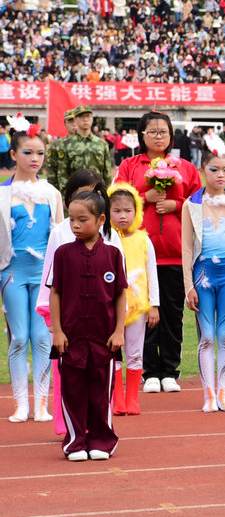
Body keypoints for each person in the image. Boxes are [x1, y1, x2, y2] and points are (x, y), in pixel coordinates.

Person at [113, 111, 199, 393]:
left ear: (171, 135)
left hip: (175, 252)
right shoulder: (129, 165)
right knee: (142, 313)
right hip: (138, 255)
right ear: (142, 135)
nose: (158, 136)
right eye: (152, 131)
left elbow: (200, 203)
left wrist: (176, 205)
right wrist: (143, 197)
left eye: (163, 131)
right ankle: (149, 371)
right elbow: (116, 201)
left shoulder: (185, 167)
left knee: (173, 314)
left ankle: (170, 370)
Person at [49, 187, 127, 461]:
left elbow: (120, 295)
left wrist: (119, 331)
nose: (75, 225)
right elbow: (55, 292)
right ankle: (75, 441)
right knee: (72, 391)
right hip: (71, 339)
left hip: (104, 339)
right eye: (72, 219)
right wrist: (58, 331)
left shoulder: (114, 255)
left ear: (101, 220)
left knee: (100, 392)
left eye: (82, 220)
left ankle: (101, 440)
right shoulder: (62, 254)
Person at [182, 134, 225, 413]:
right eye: (214, 169)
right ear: (202, 170)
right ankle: (208, 395)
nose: (221, 175)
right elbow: (187, 249)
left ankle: (223, 394)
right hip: (203, 276)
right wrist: (189, 286)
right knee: (207, 336)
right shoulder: (191, 205)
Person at [2, 117, 62, 422]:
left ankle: (41, 403)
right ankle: (21, 404)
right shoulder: (2, 194)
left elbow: (61, 238)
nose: (34, 159)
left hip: (45, 277)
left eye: (40, 153)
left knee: (41, 338)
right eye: (27, 152)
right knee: (19, 337)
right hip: (12, 275)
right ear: (13, 154)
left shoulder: (52, 193)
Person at [106, 183, 158, 416]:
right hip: (110, 306)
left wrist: (154, 305)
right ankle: (117, 400)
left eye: (128, 210)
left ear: (136, 212)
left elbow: (152, 273)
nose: (122, 216)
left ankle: (132, 399)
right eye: (116, 210)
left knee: (135, 352)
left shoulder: (143, 240)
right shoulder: (105, 239)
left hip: (137, 307)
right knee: (113, 351)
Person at [44, 104, 112, 193]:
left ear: (92, 119)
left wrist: (106, 194)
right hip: (74, 194)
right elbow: (62, 173)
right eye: (81, 117)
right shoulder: (65, 144)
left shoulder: (102, 144)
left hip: (97, 194)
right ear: (76, 119)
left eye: (88, 116)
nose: (85, 119)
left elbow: (107, 173)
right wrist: (64, 195)